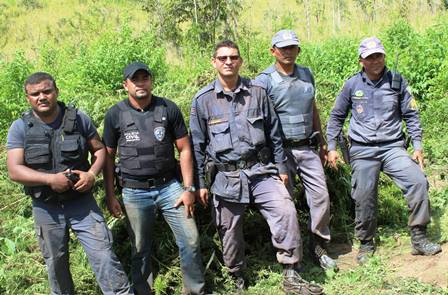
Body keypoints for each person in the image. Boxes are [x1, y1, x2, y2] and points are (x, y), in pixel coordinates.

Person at [189, 40, 323, 295]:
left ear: (240, 61)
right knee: (228, 229)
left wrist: (282, 168)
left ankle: (291, 272)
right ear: (214, 62)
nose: (228, 62)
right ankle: (236, 275)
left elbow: (274, 132)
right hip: (226, 176)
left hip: (261, 171)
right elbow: (197, 145)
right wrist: (201, 185)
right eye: (223, 58)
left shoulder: (258, 92)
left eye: (233, 57)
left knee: (285, 210)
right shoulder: (203, 101)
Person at [6, 72, 133, 295]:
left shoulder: (78, 119)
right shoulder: (20, 127)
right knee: (56, 265)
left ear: (57, 92)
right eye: (35, 94)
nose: (42, 97)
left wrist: (92, 174)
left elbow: (100, 150)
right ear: (28, 97)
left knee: (104, 256)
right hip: (46, 208)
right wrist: (49, 179)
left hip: (82, 203)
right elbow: (14, 170)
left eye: (47, 91)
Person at [326, 37, 442, 265]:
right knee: (364, 194)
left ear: (384, 56)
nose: (375, 60)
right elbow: (336, 117)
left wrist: (417, 145)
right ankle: (367, 243)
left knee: (417, 181)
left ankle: (418, 238)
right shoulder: (352, 85)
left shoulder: (397, 82)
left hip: (392, 148)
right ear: (361, 61)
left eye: (378, 55)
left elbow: (411, 115)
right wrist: (331, 147)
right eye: (370, 57)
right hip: (362, 149)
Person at [102, 62, 205, 295]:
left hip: (170, 187)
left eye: (144, 78)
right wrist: (110, 195)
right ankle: (142, 291)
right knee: (140, 248)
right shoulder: (115, 114)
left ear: (151, 81)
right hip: (134, 191)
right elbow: (108, 158)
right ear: (125, 84)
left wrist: (188, 188)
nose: (141, 83)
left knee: (190, 240)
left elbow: (185, 149)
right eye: (135, 79)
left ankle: (194, 290)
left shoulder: (168, 108)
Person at [255, 29, 337, 271]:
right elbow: (260, 120)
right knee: (285, 205)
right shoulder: (264, 81)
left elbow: (313, 109)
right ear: (273, 51)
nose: (288, 52)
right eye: (283, 48)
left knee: (321, 197)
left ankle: (319, 245)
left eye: (292, 48)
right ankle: (292, 254)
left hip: (307, 148)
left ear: (298, 50)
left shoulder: (306, 75)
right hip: (281, 153)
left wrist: (322, 142)